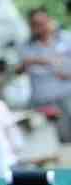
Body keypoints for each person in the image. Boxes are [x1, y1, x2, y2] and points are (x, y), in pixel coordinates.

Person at [18, 7, 71, 141]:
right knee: (50, 140)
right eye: (36, 24)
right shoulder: (26, 46)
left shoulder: (65, 38)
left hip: (67, 96)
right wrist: (33, 61)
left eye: (42, 22)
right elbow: (18, 70)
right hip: (43, 101)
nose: (40, 27)